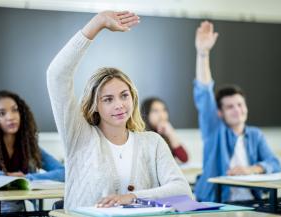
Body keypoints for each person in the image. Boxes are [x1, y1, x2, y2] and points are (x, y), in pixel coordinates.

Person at [47, 11, 192, 210]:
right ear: (95, 105)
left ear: (133, 97)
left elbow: (183, 191)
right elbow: (56, 76)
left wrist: (132, 197)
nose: (119, 105)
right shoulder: (79, 136)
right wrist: (96, 24)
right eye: (108, 99)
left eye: (124, 95)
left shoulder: (153, 143)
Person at [193, 21, 281, 202]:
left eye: (240, 105)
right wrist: (203, 53)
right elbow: (204, 93)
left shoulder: (255, 135)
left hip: (252, 203)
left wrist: (252, 169)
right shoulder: (214, 131)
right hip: (218, 202)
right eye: (230, 106)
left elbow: (275, 163)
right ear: (220, 112)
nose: (237, 110)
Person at [0, 90, 65, 213]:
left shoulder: (28, 147)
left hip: (19, 211)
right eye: (2, 113)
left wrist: (27, 178)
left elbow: (63, 172)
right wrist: (4, 176)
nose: (11, 117)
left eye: (15, 110)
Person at [141, 97, 188, 163]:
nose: (161, 115)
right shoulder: (142, 136)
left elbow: (184, 159)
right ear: (146, 114)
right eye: (155, 111)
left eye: (164, 110)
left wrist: (171, 133)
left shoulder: (165, 133)